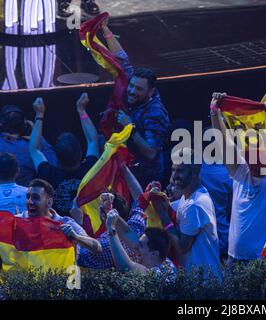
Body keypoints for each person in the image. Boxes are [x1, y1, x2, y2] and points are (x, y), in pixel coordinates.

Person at [210, 93, 266, 263]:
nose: (253, 161)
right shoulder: (241, 172)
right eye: (250, 155)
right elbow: (223, 142)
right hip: (235, 261)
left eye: (258, 156)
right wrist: (214, 112)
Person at [101, 19, 170, 187]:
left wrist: (130, 127)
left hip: (147, 178)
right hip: (129, 167)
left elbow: (151, 153)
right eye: (131, 86)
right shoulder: (134, 81)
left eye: (138, 89)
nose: (131, 91)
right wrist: (104, 28)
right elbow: (122, 58)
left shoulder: (155, 113)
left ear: (151, 91)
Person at [28, 94, 99, 216]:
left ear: (56, 157)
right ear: (81, 153)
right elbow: (93, 140)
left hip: (59, 228)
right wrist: (82, 110)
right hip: (88, 227)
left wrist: (39, 115)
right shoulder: (90, 169)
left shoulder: (48, 173)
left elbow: (34, 149)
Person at [154, 148, 221, 276]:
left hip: (205, 283)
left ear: (195, 170)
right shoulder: (187, 197)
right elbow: (161, 206)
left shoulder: (195, 204)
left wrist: (163, 216)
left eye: (180, 170)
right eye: (173, 170)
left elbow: (181, 247)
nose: (174, 176)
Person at [76, 166, 147, 269]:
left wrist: (78, 222)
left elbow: (78, 254)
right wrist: (123, 166)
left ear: (102, 216)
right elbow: (140, 199)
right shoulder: (137, 226)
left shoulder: (103, 246)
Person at [17, 179, 102, 254]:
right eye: (28, 197)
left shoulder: (65, 223)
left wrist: (76, 237)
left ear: (49, 202)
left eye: (36, 198)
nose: (30, 201)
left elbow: (97, 248)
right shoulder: (17, 221)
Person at [106, 208, 176, 276]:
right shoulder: (161, 260)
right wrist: (110, 212)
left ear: (154, 254)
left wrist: (111, 229)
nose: (135, 247)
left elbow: (125, 267)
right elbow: (126, 232)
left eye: (141, 245)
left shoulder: (162, 273)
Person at [0, 104, 57, 186]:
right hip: (25, 196)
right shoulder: (30, 149)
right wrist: (37, 135)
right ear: (24, 124)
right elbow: (53, 166)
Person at [200, 162, 233, 262]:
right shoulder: (227, 175)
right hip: (223, 239)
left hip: (201, 240)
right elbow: (232, 211)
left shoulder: (194, 171)